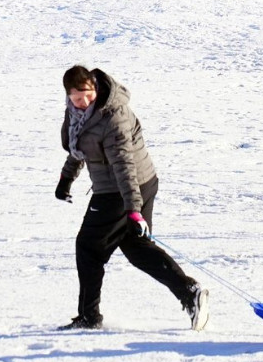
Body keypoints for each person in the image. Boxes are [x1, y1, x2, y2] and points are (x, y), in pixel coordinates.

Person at [54, 65, 209, 332]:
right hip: (137, 183)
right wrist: (66, 179)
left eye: (87, 95)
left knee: (88, 248)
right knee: (136, 248)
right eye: (77, 98)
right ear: (68, 95)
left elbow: (124, 165)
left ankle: (89, 317)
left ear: (96, 87)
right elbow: (82, 147)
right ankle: (189, 292)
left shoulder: (112, 115)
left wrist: (133, 209)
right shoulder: (78, 114)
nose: (84, 102)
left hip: (121, 188)